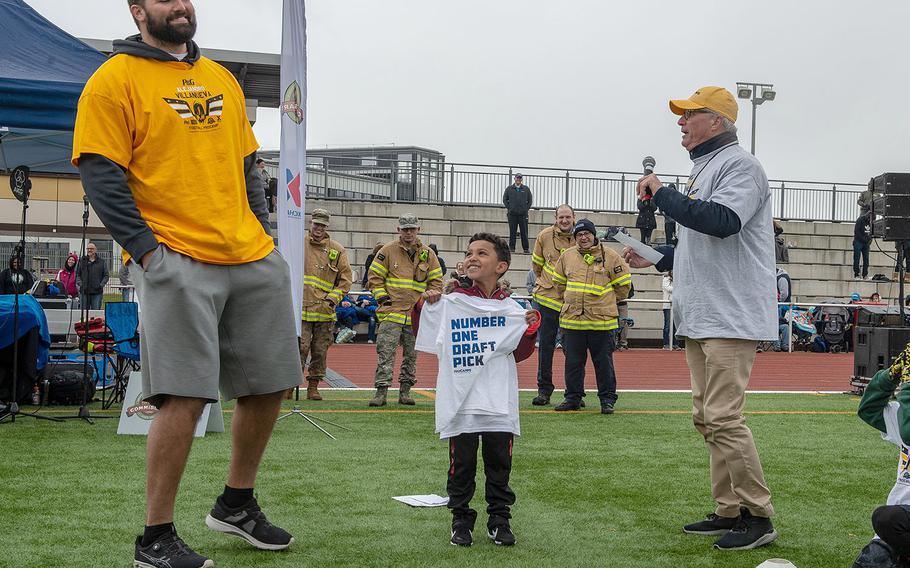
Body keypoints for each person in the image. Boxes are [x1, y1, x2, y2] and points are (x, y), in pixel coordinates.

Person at [72, 1, 304, 564]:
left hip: (250, 255)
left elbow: (250, 165)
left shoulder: (219, 76)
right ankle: (155, 537)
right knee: (184, 395)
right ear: (137, 9)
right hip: (175, 256)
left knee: (271, 382)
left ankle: (236, 504)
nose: (179, 4)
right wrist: (148, 253)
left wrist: (265, 235)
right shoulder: (112, 80)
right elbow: (100, 172)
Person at [624, 86, 778, 550]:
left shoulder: (740, 165)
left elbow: (722, 221)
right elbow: (703, 240)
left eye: (689, 114)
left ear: (718, 121)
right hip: (706, 313)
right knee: (706, 417)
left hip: (729, 315)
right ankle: (729, 509)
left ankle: (758, 515)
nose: (680, 122)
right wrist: (660, 256)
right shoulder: (708, 168)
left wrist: (663, 194)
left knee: (723, 417)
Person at [413, 232, 539, 548]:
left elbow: (520, 352)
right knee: (461, 466)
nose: (472, 258)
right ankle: (461, 520)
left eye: (482, 253)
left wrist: (530, 331)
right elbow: (424, 334)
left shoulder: (512, 308)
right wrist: (424, 306)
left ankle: (499, 519)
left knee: (500, 464)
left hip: (498, 400)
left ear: (501, 266)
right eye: (469, 252)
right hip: (462, 401)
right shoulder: (452, 302)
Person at [551, 219, 631, 414]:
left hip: (601, 323)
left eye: (587, 233)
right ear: (575, 237)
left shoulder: (611, 256)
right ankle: (573, 398)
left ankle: (607, 400)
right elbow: (559, 285)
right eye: (579, 235)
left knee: (603, 364)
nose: (583, 237)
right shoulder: (566, 256)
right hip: (573, 322)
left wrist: (605, 304)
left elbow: (623, 287)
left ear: (594, 235)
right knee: (573, 364)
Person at [367, 213, 443, 406]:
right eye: (405, 229)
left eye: (412, 229)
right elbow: (374, 278)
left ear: (418, 230)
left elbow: (436, 281)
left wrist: (427, 302)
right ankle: (381, 392)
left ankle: (405, 392)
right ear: (398, 230)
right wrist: (383, 299)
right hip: (391, 312)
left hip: (416, 314)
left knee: (411, 355)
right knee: (385, 353)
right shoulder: (387, 251)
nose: (409, 232)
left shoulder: (428, 254)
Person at [855, 346, 910, 567]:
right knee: (869, 562)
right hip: (901, 525)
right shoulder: (903, 413)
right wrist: (890, 376)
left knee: (886, 518)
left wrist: (907, 387)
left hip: (898, 521)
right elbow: (868, 410)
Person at [301, 209, 353, 398]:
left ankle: (313, 386)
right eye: (316, 224)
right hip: (300, 308)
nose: (319, 228)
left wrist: (332, 299)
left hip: (324, 310)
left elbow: (346, 280)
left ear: (327, 227)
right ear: (310, 223)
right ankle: (290, 387)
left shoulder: (337, 250)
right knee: (299, 348)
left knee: (319, 351)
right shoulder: (299, 244)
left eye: (322, 225)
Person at [529, 204, 575, 406]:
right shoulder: (544, 236)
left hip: (571, 303)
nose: (564, 221)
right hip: (547, 300)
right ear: (555, 219)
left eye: (568, 217)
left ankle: (574, 392)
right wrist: (550, 284)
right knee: (546, 347)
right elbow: (537, 267)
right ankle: (544, 391)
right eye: (561, 217)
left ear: (574, 218)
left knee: (573, 349)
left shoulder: (582, 236)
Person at [502, 173, 533, 254]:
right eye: (517, 178)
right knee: (512, 232)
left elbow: (530, 200)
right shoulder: (509, 189)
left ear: (521, 179)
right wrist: (510, 208)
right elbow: (505, 199)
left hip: (523, 215)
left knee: (524, 232)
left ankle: (526, 249)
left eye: (520, 178)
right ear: (514, 179)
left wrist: (525, 209)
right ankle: (511, 248)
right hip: (512, 215)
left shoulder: (526, 189)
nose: (518, 179)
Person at [76, 242, 109, 310]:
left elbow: (106, 275)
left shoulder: (102, 262)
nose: (89, 250)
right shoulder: (82, 261)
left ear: (95, 250)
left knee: (95, 312)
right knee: (83, 312)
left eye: (91, 248)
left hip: (97, 292)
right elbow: (77, 274)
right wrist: (81, 284)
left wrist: (101, 285)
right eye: (88, 248)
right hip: (84, 292)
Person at [661, 271, 681, 350]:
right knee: (667, 326)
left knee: (676, 326)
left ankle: (675, 344)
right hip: (668, 306)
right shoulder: (666, 279)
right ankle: (666, 343)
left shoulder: (679, 280)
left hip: (676, 305)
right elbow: (668, 289)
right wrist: (678, 287)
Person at [854, 211, 872, 280]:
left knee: (866, 259)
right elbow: (856, 232)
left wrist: (869, 240)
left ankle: (865, 274)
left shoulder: (871, 222)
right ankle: (857, 274)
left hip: (866, 243)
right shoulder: (860, 220)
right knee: (857, 258)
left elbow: (872, 233)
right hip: (858, 242)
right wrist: (863, 239)